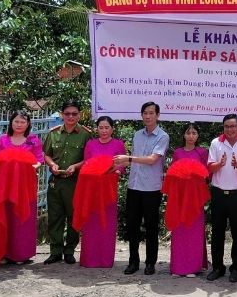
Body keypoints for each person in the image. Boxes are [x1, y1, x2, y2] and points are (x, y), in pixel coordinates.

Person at [0, 110, 44, 268]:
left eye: (23, 122)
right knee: (5, 217)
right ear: (11, 123)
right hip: (5, 187)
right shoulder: (3, 141)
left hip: (25, 186)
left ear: (28, 124)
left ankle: (21, 253)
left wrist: (31, 166)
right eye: (16, 121)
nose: (19, 125)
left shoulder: (33, 141)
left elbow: (39, 160)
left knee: (22, 219)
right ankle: (3, 253)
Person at [113, 102, 170, 275]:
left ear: (157, 115)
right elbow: (137, 159)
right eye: (145, 113)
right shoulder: (137, 135)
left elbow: (152, 159)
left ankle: (150, 263)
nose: (147, 116)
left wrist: (128, 159)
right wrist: (127, 160)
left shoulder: (162, 136)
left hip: (151, 188)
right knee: (133, 226)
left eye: (151, 113)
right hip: (134, 186)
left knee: (151, 227)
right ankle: (133, 262)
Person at [205, 114, 237, 283]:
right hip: (219, 194)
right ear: (223, 128)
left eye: (233, 126)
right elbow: (209, 167)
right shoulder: (215, 143)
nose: (230, 129)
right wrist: (219, 164)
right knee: (217, 233)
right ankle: (218, 267)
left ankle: (235, 268)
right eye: (226, 126)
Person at [75, 116, 126, 268]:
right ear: (97, 129)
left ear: (112, 129)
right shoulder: (91, 144)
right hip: (91, 190)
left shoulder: (118, 144)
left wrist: (117, 171)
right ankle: (89, 259)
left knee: (106, 224)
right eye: (101, 127)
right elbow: (87, 164)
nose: (104, 131)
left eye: (107, 128)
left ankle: (105, 259)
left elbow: (122, 165)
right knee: (91, 223)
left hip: (108, 189)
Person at [43, 101, 89, 265]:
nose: (70, 117)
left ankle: (69, 250)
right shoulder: (53, 133)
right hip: (56, 181)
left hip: (75, 182)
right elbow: (46, 154)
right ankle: (55, 251)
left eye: (74, 114)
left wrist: (75, 167)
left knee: (73, 216)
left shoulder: (85, 134)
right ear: (62, 115)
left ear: (79, 114)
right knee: (55, 217)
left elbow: (89, 158)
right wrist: (51, 164)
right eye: (67, 113)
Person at [167, 122, 209, 277]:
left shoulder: (202, 153)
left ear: (198, 136)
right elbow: (173, 174)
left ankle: (192, 267)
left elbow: (206, 176)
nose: (191, 136)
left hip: (195, 197)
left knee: (193, 230)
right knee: (180, 230)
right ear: (183, 135)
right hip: (179, 196)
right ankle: (178, 267)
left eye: (194, 133)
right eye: (188, 133)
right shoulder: (177, 152)